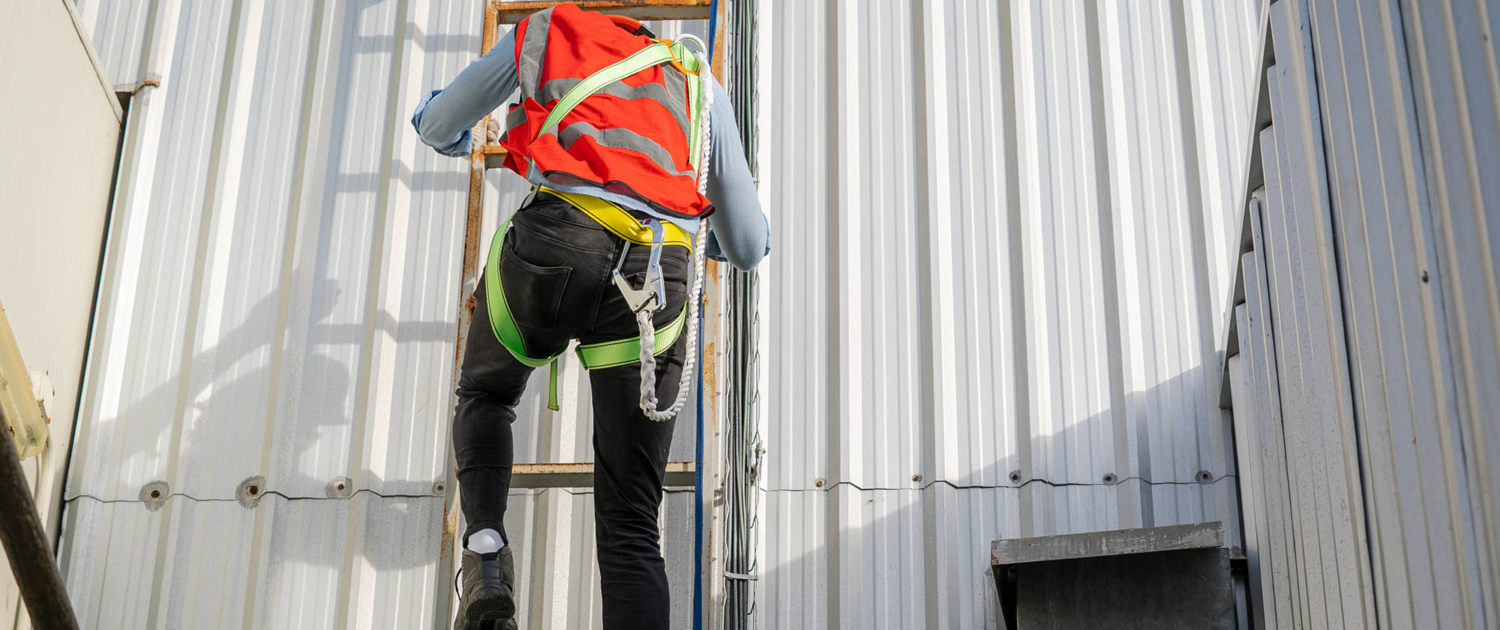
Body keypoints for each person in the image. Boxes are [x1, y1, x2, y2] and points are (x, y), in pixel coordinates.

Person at [411, 4, 768, 629]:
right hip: (656, 276)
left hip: (556, 244)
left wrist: (451, 136)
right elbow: (745, 243)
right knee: (631, 521)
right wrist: (690, 235)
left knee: (488, 394)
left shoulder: (548, 29)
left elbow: (440, 121)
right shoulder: (693, 78)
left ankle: (488, 556)